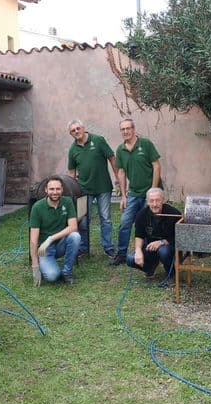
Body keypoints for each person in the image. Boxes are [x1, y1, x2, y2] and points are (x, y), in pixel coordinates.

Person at [67, 119, 118, 259]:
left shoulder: (98, 140)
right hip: (84, 190)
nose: (76, 131)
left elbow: (112, 158)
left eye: (78, 128)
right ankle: (83, 248)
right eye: (73, 130)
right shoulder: (72, 150)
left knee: (106, 218)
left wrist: (118, 177)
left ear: (83, 128)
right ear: (70, 134)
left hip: (103, 187)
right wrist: (71, 191)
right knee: (83, 220)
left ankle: (108, 247)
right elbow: (71, 172)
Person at [113, 118, 161, 266]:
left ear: (133, 129)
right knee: (124, 222)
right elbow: (121, 172)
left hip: (150, 192)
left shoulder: (145, 144)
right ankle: (121, 254)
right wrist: (123, 195)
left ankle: (150, 253)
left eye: (128, 128)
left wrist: (153, 191)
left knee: (149, 223)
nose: (126, 131)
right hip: (133, 193)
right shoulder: (120, 150)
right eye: (123, 129)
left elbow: (156, 166)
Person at [29, 175, 81, 285]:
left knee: (75, 236)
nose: (55, 192)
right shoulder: (37, 207)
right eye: (52, 189)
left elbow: (73, 227)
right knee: (52, 276)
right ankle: (48, 266)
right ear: (46, 190)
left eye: (58, 189)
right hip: (44, 249)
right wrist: (35, 266)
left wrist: (51, 238)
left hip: (61, 243)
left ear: (62, 190)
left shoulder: (67, 202)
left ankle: (67, 272)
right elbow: (33, 240)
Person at [126, 188, 181, 281]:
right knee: (130, 258)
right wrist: (138, 250)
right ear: (147, 202)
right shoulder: (141, 215)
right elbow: (139, 235)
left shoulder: (174, 214)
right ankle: (149, 268)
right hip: (150, 247)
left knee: (163, 251)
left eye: (158, 200)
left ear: (163, 200)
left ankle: (171, 274)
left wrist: (161, 242)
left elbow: (180, 236)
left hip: (169, 246)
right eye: (151, 201)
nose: (154, 204)